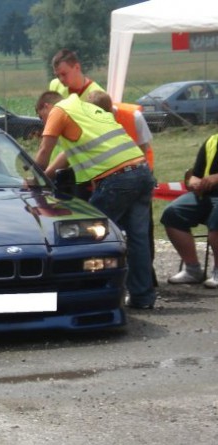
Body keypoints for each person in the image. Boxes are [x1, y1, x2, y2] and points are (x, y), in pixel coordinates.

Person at [34, 91, 156, 309]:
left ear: (45, 107)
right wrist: (48, 175)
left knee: (85, 236)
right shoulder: (88, 109)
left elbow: (45, 151)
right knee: (138, 240)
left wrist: (34, 179)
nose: (44, 123)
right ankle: (142, 298)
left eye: (41, 118)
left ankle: (86, 296)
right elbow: (67, 154)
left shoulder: (58, 111)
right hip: (142, 171)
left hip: (117, 179)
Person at [88, 91, 158, 287]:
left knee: (92, 229)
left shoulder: (133, 116)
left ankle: (100, 286)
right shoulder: (99, 119)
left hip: (125, 178)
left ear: (111, 110)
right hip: (139, 176)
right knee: (138, 237)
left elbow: (144, 148)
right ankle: (142, 294)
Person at [160, 133, 218, 288]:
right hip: (205, 196)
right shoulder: (212, 141)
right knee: (172, 213)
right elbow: (195, 175)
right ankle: (193, 270)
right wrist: (194, 183)